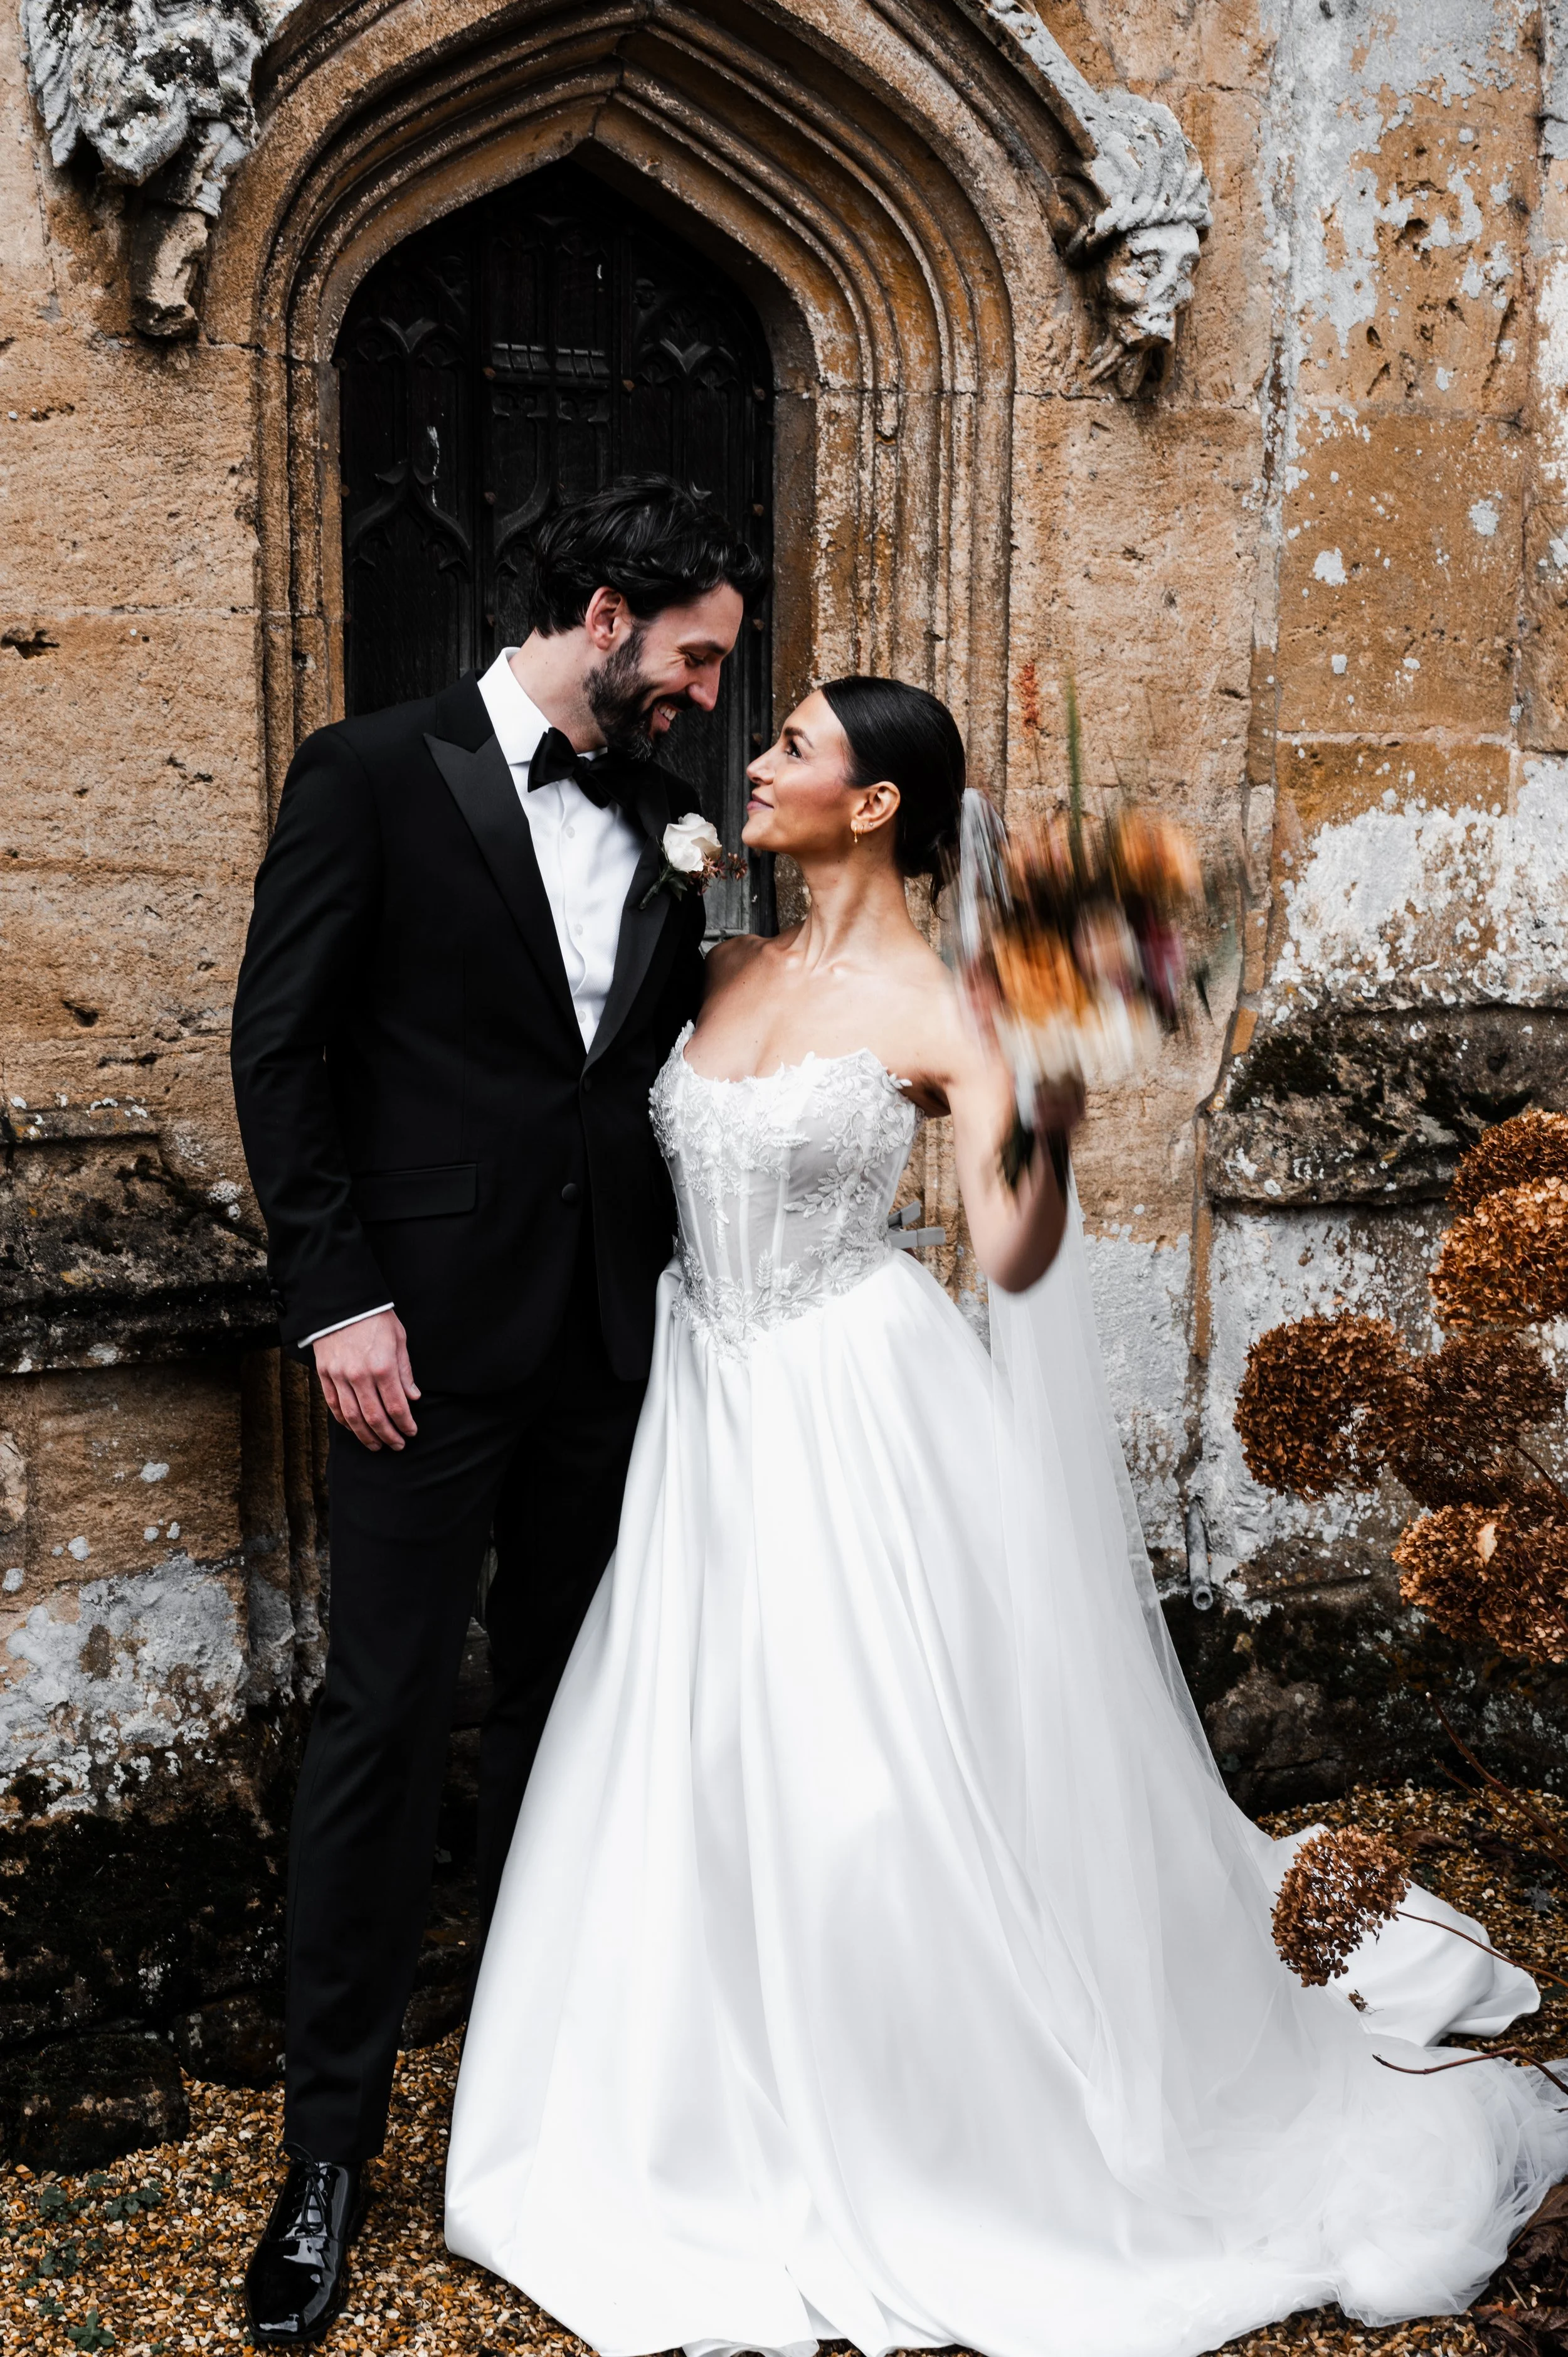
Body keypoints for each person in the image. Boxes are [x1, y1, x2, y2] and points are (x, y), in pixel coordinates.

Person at [445, 674, 1568, 2357]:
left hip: (846, 1404)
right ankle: (681, 2100)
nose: (756, 760)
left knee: (866, 1790)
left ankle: (919, 2112)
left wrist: (1045, 1097)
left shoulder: (949, 1010)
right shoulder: (724, 962)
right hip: (703, 1402)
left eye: (796, 745)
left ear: (879, 801)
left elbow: (1013, 1249)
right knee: (691, 1752)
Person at [229, 475, 768, 2345]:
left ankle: (534, 2102)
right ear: (607, 613)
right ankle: (328, 2151)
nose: (708, 695)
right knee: (381, 1721)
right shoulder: (371, 771)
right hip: (414, 1346)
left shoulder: (672, 820)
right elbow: (279, 1047)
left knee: (568, 1716)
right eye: (695, 656)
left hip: (611, 1346)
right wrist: (340, 1300)